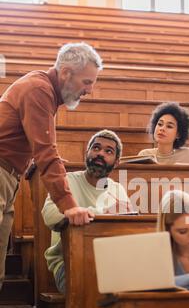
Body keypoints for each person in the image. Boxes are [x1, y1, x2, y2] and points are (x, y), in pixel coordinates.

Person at [0, 42, 102, 289]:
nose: (89, 90)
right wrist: (69, 206)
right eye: (87, 82)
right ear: (66, 72)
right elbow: (46, 152)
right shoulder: (39, 89)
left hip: (9, 177)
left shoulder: (43, 89)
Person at [42, 129, 132, 294]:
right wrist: (101, 213)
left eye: (108, 151)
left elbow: (128, 230)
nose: (100, 154)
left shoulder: (118, 189)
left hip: (109, 262)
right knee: (99, 287)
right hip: (68, 263)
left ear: (116, 162)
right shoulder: (67, 181)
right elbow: (49, 215)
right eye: (96, 148)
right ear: (87, 152)